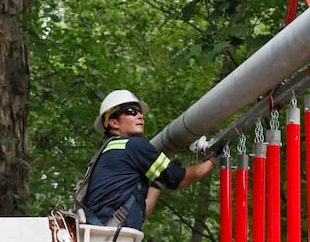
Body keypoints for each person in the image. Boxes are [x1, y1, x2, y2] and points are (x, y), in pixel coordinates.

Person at [79, 89, 217, 231]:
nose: (140, 116)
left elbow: (142, 214)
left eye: (140, 112)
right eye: (132, 111)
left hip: (101, 238)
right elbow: (179, 179)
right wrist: (215, 161)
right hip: (111, 239)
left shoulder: (106, 153)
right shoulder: (131, 145)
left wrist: (158, 184)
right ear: (114, 123)